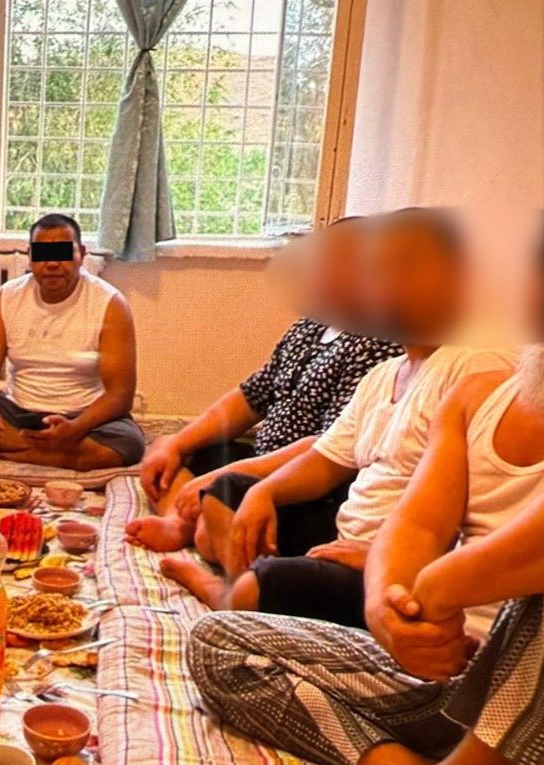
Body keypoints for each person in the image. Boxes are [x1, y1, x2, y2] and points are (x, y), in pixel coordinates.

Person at [187, 334, 544, 765]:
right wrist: (389, 612)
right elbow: (415, 525)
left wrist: (436, 588)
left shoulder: (465, 364)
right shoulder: (475, 396)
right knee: (217, 644)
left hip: (528, 718)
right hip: (446, 684)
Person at [166, 208, 514, 626]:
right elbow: (326, 459)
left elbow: (488, 515)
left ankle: (236, 598)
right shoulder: (382, 374)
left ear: (460, 276)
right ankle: (256, 595)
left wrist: (386, 558)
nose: (386, 284)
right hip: (346, 535)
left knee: (262, 584)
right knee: (227, 493)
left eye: (406, 265)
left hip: (398, 571)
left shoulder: (477, 367)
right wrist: (265, 492)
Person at [125, 217, 401, 553]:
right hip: (261, 459)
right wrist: (178, 444)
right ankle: (183, 521)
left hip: (304, 486)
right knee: (163, 454)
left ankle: (200, 527)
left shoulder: (378, 342)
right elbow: (251, 396)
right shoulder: (310, 326)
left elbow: (330, 448)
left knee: (216, 516)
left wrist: (225, 478)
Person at [0, 213, 144, 471]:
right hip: (17, 411)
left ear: (82, 254)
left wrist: (75, 428)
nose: (52, 263)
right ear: (30, 256)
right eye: (42, 254)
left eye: (62, 253)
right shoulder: (7, 297)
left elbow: (120, 394)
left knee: (127, 444)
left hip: (82, 415)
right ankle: (48, 452)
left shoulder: (110, 303)